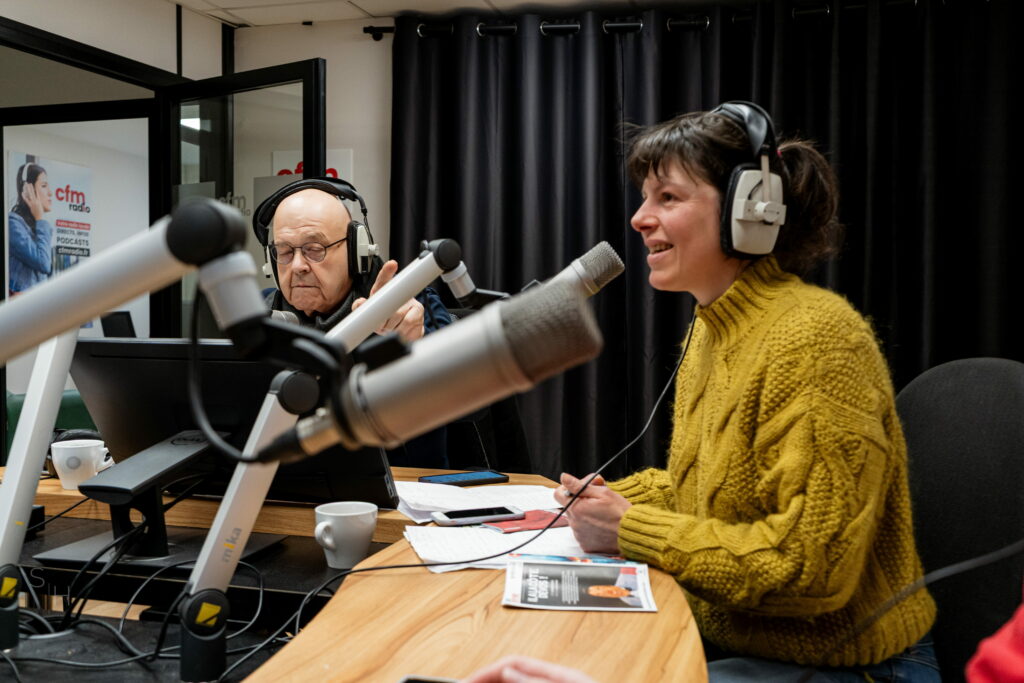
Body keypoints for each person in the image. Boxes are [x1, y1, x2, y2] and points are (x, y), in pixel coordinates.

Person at [553, 103, 939, 681]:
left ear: (748, 209)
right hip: (742, 642)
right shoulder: (713, 329)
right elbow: (712, 489)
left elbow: (810, 568)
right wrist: (596, 500)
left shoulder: (816, 339)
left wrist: (630, 528)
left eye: (667, 197)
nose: (638, 218)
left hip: (851, 664)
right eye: (644, 197)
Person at [260, 181, 452, 467]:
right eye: (285, 251)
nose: (298, 265)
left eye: (314, 248)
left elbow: (467, 397)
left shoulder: (410, 303)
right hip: (281, 480)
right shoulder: (260, 313)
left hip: (401, 482)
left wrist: (416, 347)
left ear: (356, 251)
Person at [8, 161, 54, 295]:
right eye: (44, 186)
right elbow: (43, 263)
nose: (50, 193)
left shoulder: (38, 228)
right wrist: (39, 218)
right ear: (28, 190)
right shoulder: (13, 224)